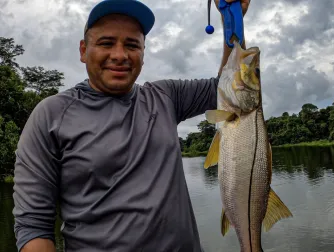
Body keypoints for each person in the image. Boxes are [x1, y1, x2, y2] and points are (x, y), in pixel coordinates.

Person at [12, 0, 250, 251]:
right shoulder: (51, 115)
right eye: (106, 43)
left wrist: (232, 18)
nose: (119, 55)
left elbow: (232, 89)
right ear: (83, 51)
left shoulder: (166, 97)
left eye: (132, 45)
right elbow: (33, 226)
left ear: (143, 53)